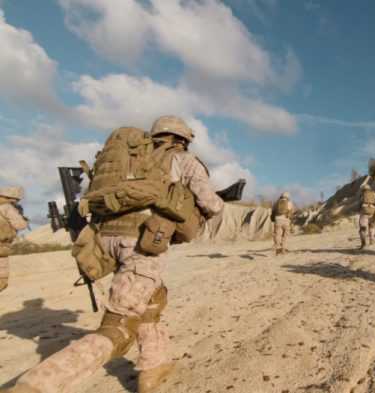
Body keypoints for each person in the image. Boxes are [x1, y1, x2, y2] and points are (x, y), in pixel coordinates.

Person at [2, 116, 224, 393]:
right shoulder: (181, 159)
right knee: (118, 327)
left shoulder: (126, 158)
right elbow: (210, 202)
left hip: (104, 239)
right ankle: (36, 385)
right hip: (142, 243)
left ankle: (154, 366)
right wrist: (214, 204)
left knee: (152, 298)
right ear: (183, 139)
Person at [0, 186, 29, 292]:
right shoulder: (7, 207)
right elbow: (21, 225)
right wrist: (24, 219)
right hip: (1, 247)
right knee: (1, 282)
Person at [358, 184, 375, 249]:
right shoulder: (374, 194)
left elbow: (359, 204)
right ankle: (372, 241)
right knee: (371, 227)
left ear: (363, 189)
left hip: (364, 212)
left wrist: (359, 210)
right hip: (373, 212)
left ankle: (363, 244)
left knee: (362, 229)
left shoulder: (362, 194)